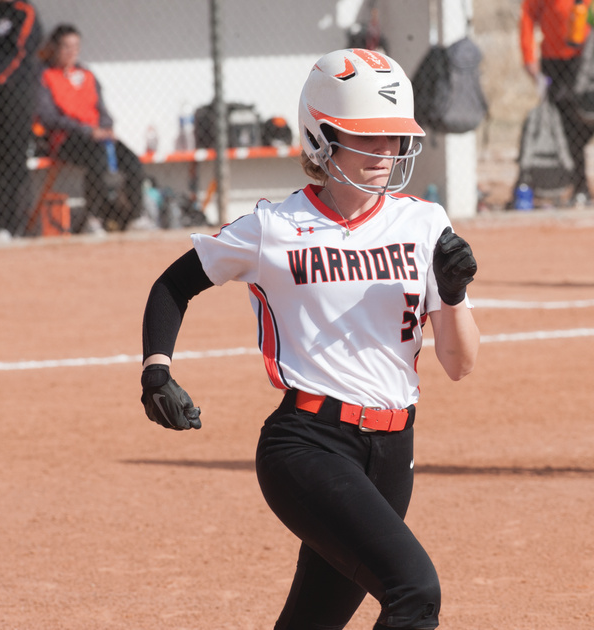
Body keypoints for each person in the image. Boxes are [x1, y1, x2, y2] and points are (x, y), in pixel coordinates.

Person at [137, 48, 480, 630]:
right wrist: (156, 369)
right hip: (308, 446)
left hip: (394, 453)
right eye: (367, 137)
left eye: (395, 138)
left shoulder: (425, 223)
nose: (386, 151)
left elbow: (459, 364)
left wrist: (451, 294)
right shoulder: (275, 229)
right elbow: (173, 284)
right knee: (414, 592)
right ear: (321, 138)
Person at [37, 24, 145, 233]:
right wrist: (87, 131)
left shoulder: (86, 75)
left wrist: (106, 127)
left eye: (76, 47)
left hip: (98, 136)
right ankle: (94, 219)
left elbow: (102, 110)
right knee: (97, 160)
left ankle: (136, 218)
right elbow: (49, 117)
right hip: (67, 139)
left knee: (132, 162)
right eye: (66, 47)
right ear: (55, 49)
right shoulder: (46, 76)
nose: (71, 52)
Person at [519, 0, 594, 206]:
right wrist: (530, 58)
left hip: (586, 60)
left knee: (582, 124)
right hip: (554, 62)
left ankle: (576, 181)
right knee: (563, 125)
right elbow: (527, 17)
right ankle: (579, 187)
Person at [0, 0, 43, 240]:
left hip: (15, 95)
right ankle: (0, 225)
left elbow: (20, 52)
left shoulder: (24, 12)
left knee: (14, 160)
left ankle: (16, 225)